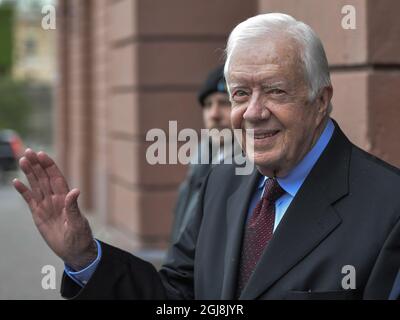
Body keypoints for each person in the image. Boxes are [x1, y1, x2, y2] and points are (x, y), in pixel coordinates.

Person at [13, 13, 400, 300]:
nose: (253, 112)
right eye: (240, 94)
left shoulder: (389, 210)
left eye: (275, 91)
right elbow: (175, 298)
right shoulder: (222, 179)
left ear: (321, 101)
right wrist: (85, 256)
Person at [170, 65, 233, 244]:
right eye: (208, 105)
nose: (214, 114)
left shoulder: (253, 171)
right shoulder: (198, 165)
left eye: (224, 103)